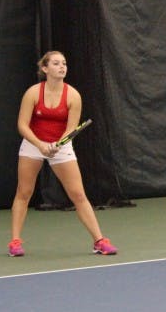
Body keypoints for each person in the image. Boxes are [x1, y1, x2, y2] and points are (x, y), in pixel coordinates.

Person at [8, 51, 118, 257]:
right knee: (23, 192)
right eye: (56, 63)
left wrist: (58, 145)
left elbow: (71, 128)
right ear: (45, 68)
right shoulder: (32, 93)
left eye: (64, 63)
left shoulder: (73, 95)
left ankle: (99, 241)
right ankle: (15, 242)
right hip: (33, 144)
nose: (62, 67)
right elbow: (22, 125)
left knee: (78, 194)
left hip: (61, 147)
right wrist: (40, 145)